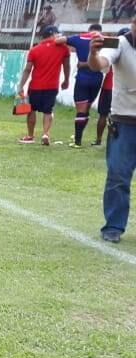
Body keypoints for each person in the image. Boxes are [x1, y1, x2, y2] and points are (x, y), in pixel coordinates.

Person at [89, 22, 136, 242]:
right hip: (124, 123)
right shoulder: (118, 44)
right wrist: (93, 53)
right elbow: (100, 63)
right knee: (118, 176)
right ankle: (114, 226)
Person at [18, 25, 70, 145]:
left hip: (35, 86)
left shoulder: (34, 50)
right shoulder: (63, 49)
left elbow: (27, 69)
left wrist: (21, 85)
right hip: (52, 86)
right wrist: (66, 80)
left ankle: (30, 136)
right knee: (48, 111)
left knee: (31, 110)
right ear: (53, 34)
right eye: (58, 34)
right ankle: (45, 134)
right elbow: (67, 66)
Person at [66, 24, 106, 148]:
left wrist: (82, 64)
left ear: (89, 31)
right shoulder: (105, 41)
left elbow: (59, 40)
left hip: (83, 79)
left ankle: (77, 141)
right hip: (97, 79)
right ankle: (78, 135)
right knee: (87, 108)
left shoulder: (79, 39)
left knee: (81, 110)